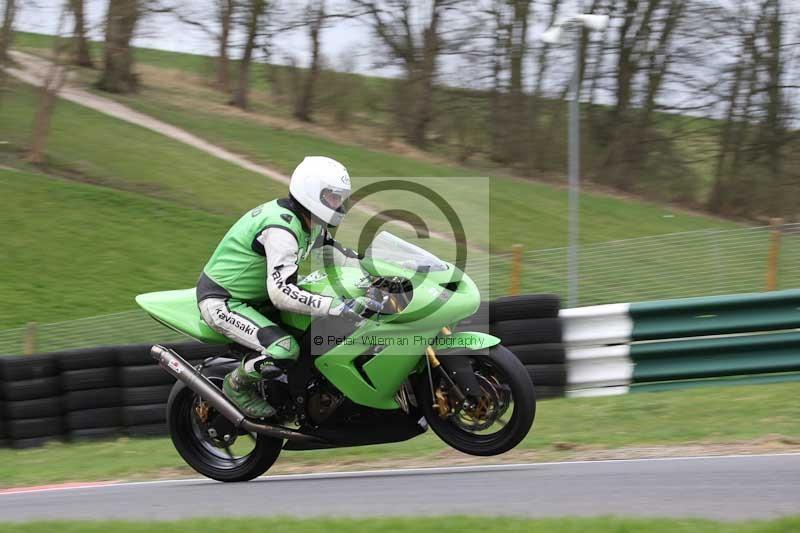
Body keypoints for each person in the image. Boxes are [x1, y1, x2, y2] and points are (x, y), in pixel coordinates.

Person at [196, 156, 382, 418]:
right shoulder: (281, 228)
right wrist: (334, 306)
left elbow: (338, 256)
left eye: (341, 198)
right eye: (332, 197)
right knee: (284, 350)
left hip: (258, 301)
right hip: (225, 301)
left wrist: (384, 270)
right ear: (310, 192)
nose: (338, 204)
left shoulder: (313, 223)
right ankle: (235, 385)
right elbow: (281, 292)